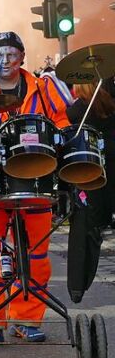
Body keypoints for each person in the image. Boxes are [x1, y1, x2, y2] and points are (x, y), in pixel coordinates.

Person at [0, 32, 70, 344]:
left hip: (37, 178)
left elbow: (64, 120)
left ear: (22, 56)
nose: (5, 60)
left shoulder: (44, 86)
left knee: (36, 255)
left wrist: (61, 140)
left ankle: (27, 320)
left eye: (11, 54)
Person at [66, 78, 115, 302]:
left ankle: (78, 286)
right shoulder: (111, 107)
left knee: (85, 226)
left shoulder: (77, 110)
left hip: (93, 175)